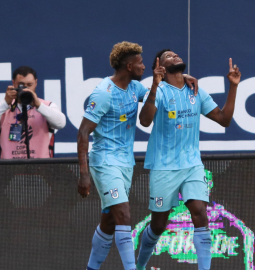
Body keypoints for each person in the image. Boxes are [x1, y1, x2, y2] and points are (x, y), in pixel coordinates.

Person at [76, 42, 198, 270]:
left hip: (125, 164)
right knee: (123, 214)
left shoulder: (134, 88)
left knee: (109, 222)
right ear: (130, 65)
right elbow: (83, 131)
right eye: (141, 62)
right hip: (105, 162)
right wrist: (83, 173)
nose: (145, 66)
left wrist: (184, 76)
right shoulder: (104, 93)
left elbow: (159, 93)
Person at [136, 49, 241, 270]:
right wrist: (155, 85)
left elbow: (224, 119)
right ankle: (139, 265)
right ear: (161, 69)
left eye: (175, 54)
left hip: (192, 165)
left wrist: (233, 86)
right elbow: (145, 121)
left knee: (200, 214)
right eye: (168, 57)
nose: (174, 56)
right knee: (158, 226)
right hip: (164, 168)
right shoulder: (159, 91)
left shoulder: (196, 91)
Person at [0, 66, 66, 159]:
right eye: (21, 85)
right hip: (9, 170)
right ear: (13, 83)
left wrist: (39, 105)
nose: (26, 89)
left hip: (40, 169)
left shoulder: (47, 106)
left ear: (36, 83)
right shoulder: (3, 107)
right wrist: (5, 103)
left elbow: (61, 124)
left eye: (29, 85)